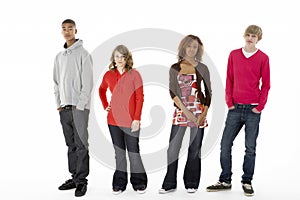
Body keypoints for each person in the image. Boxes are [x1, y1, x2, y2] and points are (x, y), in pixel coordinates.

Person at [206, 25, 270, 196]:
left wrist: (260, 107)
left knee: (250, 147)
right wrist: (229, 102)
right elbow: (229, 79)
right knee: (225, 144)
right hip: (235, 108)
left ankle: (247, 181)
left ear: (258, 39)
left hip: (253, 109)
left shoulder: (263, 58)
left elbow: (266, 85)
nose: (250, 38)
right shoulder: (234, 55)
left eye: (254, 36)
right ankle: (225, 180)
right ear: (244, 36)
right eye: (248, 35)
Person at [159, 35, 212, 194]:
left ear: (198, 49)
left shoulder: (203, 68)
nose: (191, 49)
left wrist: (204, 112)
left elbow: (208, 92)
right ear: (184, 48)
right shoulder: (175, 67)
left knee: (195, 148)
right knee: (173, 148)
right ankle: (169, 183)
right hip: (181, 110)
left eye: (195, 47)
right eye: (189, 46)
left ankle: (191, 182)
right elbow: (172, 91)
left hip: (198, 111)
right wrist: (185, 111)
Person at [99, 45, 148, 195]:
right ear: (113, 59)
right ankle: (119, 183)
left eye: (122, 57)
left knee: (134, 152)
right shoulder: (108, 75)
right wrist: (106, 105)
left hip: (131, 121)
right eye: (117, 57)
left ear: (127, 59)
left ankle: (139, 182)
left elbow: (140, 97)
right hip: (113, 120)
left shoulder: (135, 74)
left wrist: (137, 119)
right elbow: (101, 90)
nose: (119, 59)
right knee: (119, 153)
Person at [53, 19, 93, 197]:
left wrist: (80, 106)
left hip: (79, 108)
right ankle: (74, 177)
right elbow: (55, 82)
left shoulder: (83, 54)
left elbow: (88, 83)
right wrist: (59, 105)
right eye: (64, 29)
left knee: (81, 144)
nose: (67, 31)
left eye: (70, 28)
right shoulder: (59, 57)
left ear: (76, 30)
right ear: (61, 31)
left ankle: (82, 181)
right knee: (71, 145)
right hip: (64, 108)